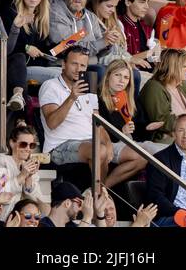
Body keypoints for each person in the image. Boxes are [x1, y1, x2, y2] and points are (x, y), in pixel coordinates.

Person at [40, 45, 147, 186]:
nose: (79, 69)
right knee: (100, 151)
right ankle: (99, 200)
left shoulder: (89, 89)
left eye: (83, 65)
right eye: (74, 64)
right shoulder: (51, 86)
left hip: (91, 142)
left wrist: (108, 144)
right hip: (60, 145)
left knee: (140, 156)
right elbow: (52, 123)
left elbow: (98, 123)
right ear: (63, 64)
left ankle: (100, 190)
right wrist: (71, 98)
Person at [145, 114, 186, 225]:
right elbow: (156, 197)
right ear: (174, 134)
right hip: (168, 217)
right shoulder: (159, 160)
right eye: (181, 130)